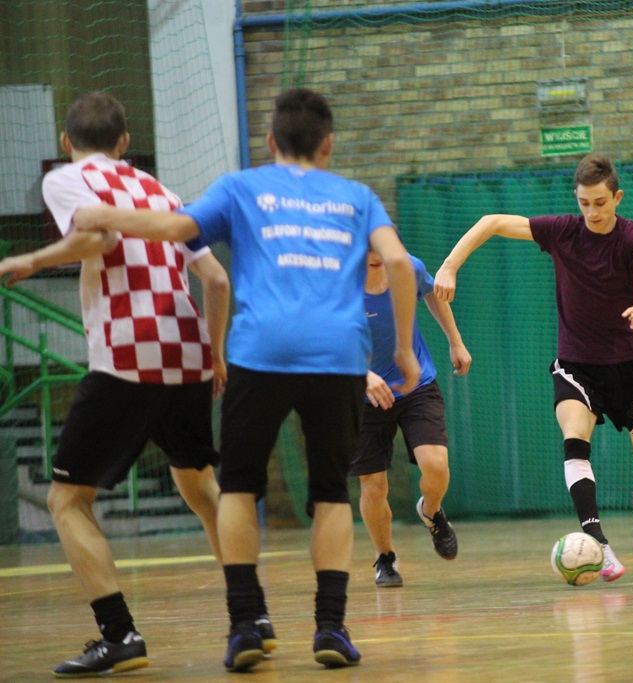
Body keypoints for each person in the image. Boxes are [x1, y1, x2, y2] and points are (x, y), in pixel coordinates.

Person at [73, 88, 420, 672]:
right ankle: (331, 627)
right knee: (333, 493)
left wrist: (106, 215)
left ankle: (244, 626)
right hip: (337, 356)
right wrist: (405, 349)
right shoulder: (358, 198)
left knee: (236, 488)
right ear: (329, 145)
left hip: (261, 353)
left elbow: (175, 227)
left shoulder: (242, 186)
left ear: (270, 142)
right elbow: (403, 264)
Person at [0, 91, 239, 677]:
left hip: (128, 358)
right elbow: (216, 280)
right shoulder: (162, 192)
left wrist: (31, 261)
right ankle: (249, 618)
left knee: (67, 500)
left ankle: (119, 635)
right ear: (126, 143)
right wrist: (215, 355)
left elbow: (97, 240)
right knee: (201, 488)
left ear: (66, 143)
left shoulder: (67, 178)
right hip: (187, 353)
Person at [434, 154, 633, 582]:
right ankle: (598, 543)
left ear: (617, 197)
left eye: (600, 202)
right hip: (576, 364)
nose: (592, 212)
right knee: (574, 439)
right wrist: (450, 265)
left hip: (629, 366)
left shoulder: (630, 236)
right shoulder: (562, 230)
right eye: (584, 202)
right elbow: (491, 221)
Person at [354, 249, 472, 587]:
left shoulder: (408, 268)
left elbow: (433, 292)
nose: (375, 255)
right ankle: (385, 558)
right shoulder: (336, 280)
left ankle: (431, 511)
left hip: (416, 384)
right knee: (373, 487)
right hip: (362, 394)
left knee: (435, 466)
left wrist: (456, 342)